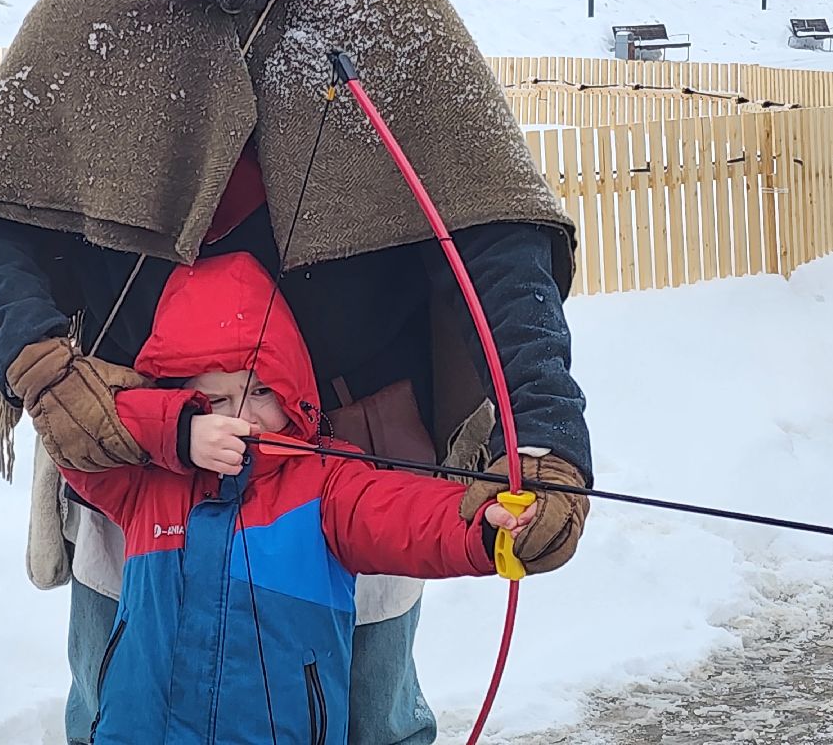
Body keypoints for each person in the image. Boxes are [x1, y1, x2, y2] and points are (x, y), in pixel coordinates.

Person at [0, 0, 592, 745]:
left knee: (369, 720)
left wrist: (542, 431)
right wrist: (40, 365)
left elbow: (494, 235)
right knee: (120, 711)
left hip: (353, 463)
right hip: (140, 457)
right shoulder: (104, 0)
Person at [60, 251, 535, 745]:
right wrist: (175, 431)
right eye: (216, 400)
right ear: (179, 396)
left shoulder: (324, 481)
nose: (244, 418)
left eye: (261, 391)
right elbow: (73, 436)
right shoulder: (148, 482)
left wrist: (482, 528)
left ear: (292, 388)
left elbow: (403, 514)